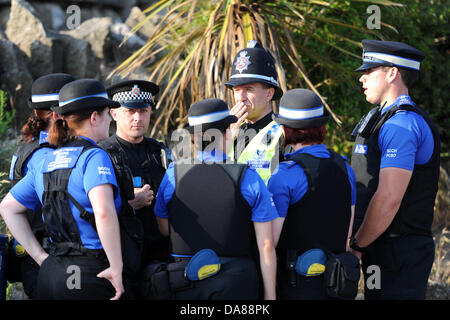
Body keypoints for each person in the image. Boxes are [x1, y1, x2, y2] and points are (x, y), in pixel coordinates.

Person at [0, 79, 124, 300]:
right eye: (107, 114)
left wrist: (40, 258)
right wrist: (116, 267)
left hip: (50, 273)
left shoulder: (46, 159)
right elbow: (103, 212)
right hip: (90, 271)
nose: (109, 122)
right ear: (94, 117)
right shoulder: (94, 157)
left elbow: (8, 207)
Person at [153, 98, 277, 300]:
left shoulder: (172, 175)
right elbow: (266, 245)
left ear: (193, 138)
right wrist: (270, 295)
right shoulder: (247, 177)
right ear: (229, 131)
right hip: (236, 284)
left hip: (184, 283)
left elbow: (164, 229)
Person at [350, 40, 441, 300]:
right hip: (381, 246)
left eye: (369, 71)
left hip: (398, 249)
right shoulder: (381, 118)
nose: (362, 79)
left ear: (392, 73)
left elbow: (389, 199)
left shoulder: (402, 124)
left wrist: (357, 244)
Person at [268, 89, 356, 300]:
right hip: (336, 284)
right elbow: (347, 235)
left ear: (285, 130)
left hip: (296, 285)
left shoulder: (285, 174)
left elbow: (269, 243)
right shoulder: (345, 167)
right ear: (322, 128)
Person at [7, 73, 75, 299]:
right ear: (58, 115)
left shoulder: (32, 145)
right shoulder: (47, 155)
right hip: (46, 256)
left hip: (36, 256)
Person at [99, 80, 170, 270]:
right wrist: (128, 205)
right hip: (122, 256)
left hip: (160, 255)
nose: (137, 117)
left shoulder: (160, 152)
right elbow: (91, 210)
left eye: (143, 110)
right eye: (130, 111)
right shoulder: (101, 155)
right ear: (114, 113)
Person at [225, 40, 285, 184]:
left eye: (249, 89)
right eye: (237, 90)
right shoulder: (227, 131)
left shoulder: (283, 132)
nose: (241, 97)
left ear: (269, 94)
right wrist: (225, 140)